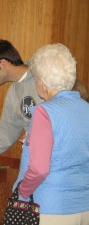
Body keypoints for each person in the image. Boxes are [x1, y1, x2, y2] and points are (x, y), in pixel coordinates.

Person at [15, 43, 89, 225]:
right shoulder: (86, 108)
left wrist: (22, 192)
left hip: (52, 208)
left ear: (43, 82)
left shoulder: (44, 112)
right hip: (84, 207)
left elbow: (39, 169)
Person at [0, 39, 44, 166]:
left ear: (2, 64)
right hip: (34, 164)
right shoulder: (13, 94)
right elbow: (4, 139)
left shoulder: (42, 78)